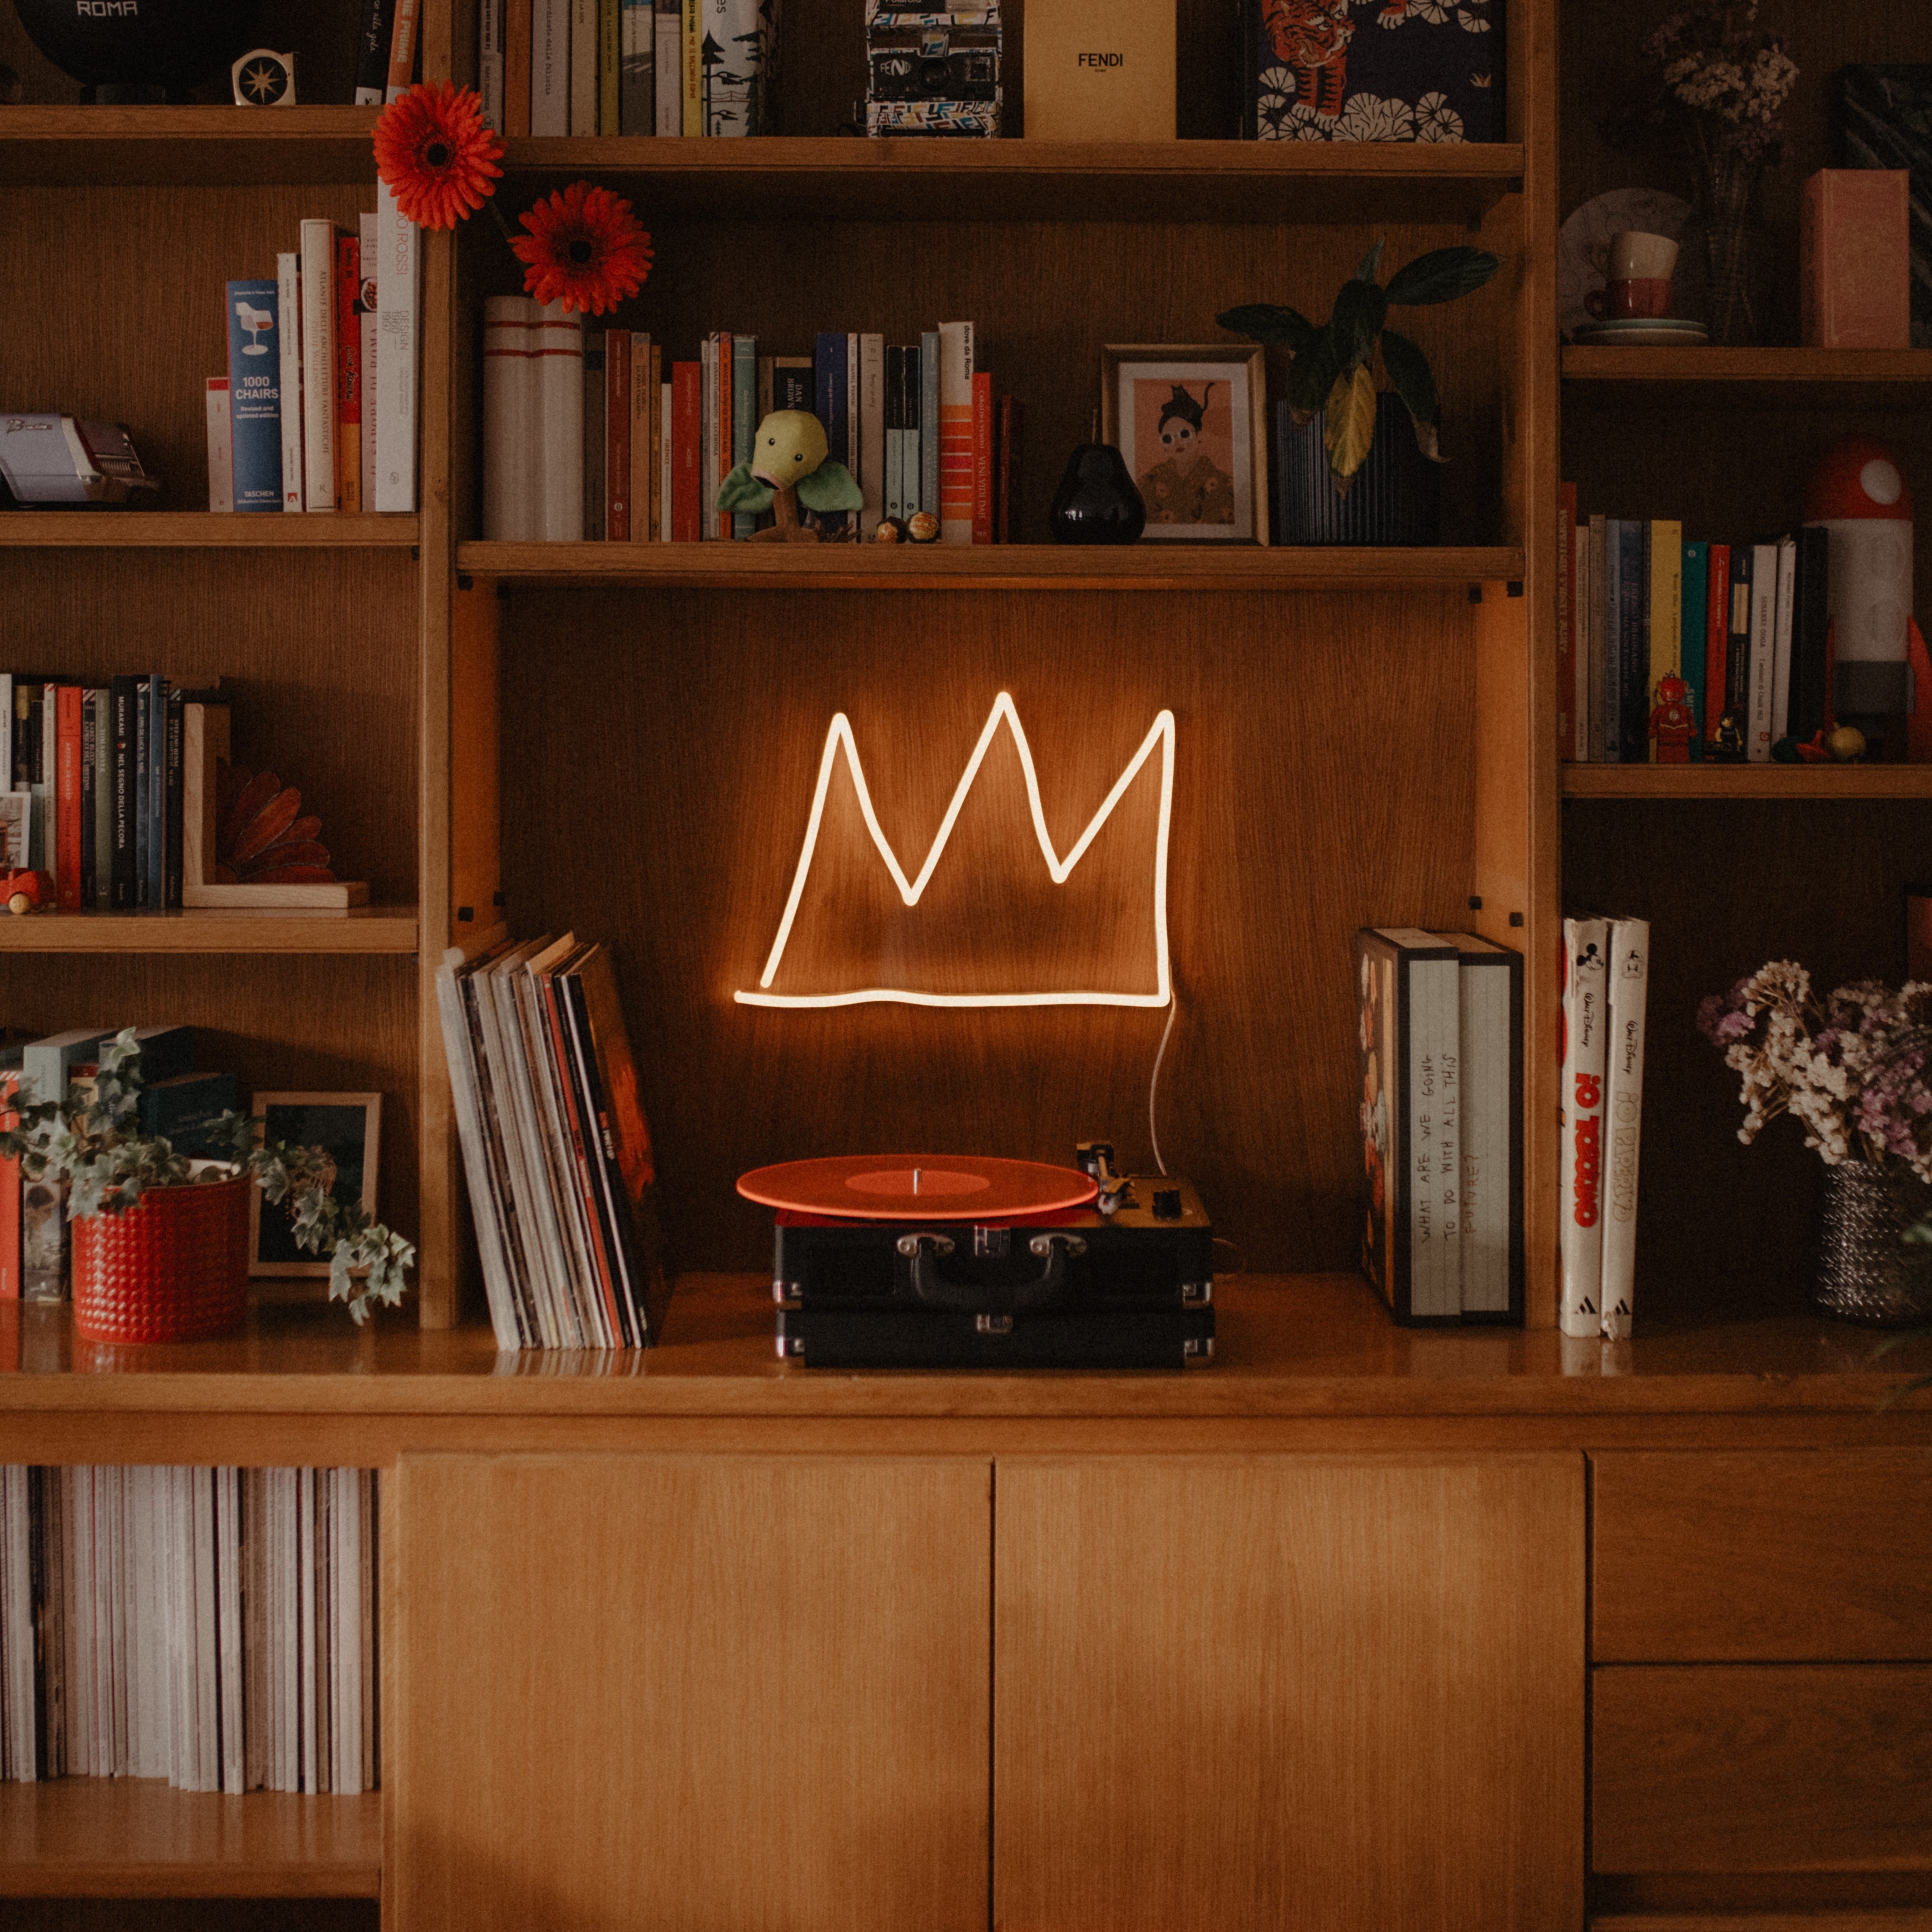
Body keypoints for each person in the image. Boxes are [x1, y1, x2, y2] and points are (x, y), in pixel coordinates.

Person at [1138, 383, 1235, 526]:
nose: (1177, 442)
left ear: (1198, 437)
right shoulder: (1149, 482)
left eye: (1184, 434)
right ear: (1164, 447)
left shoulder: (1224, 484)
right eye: (1168, 438)